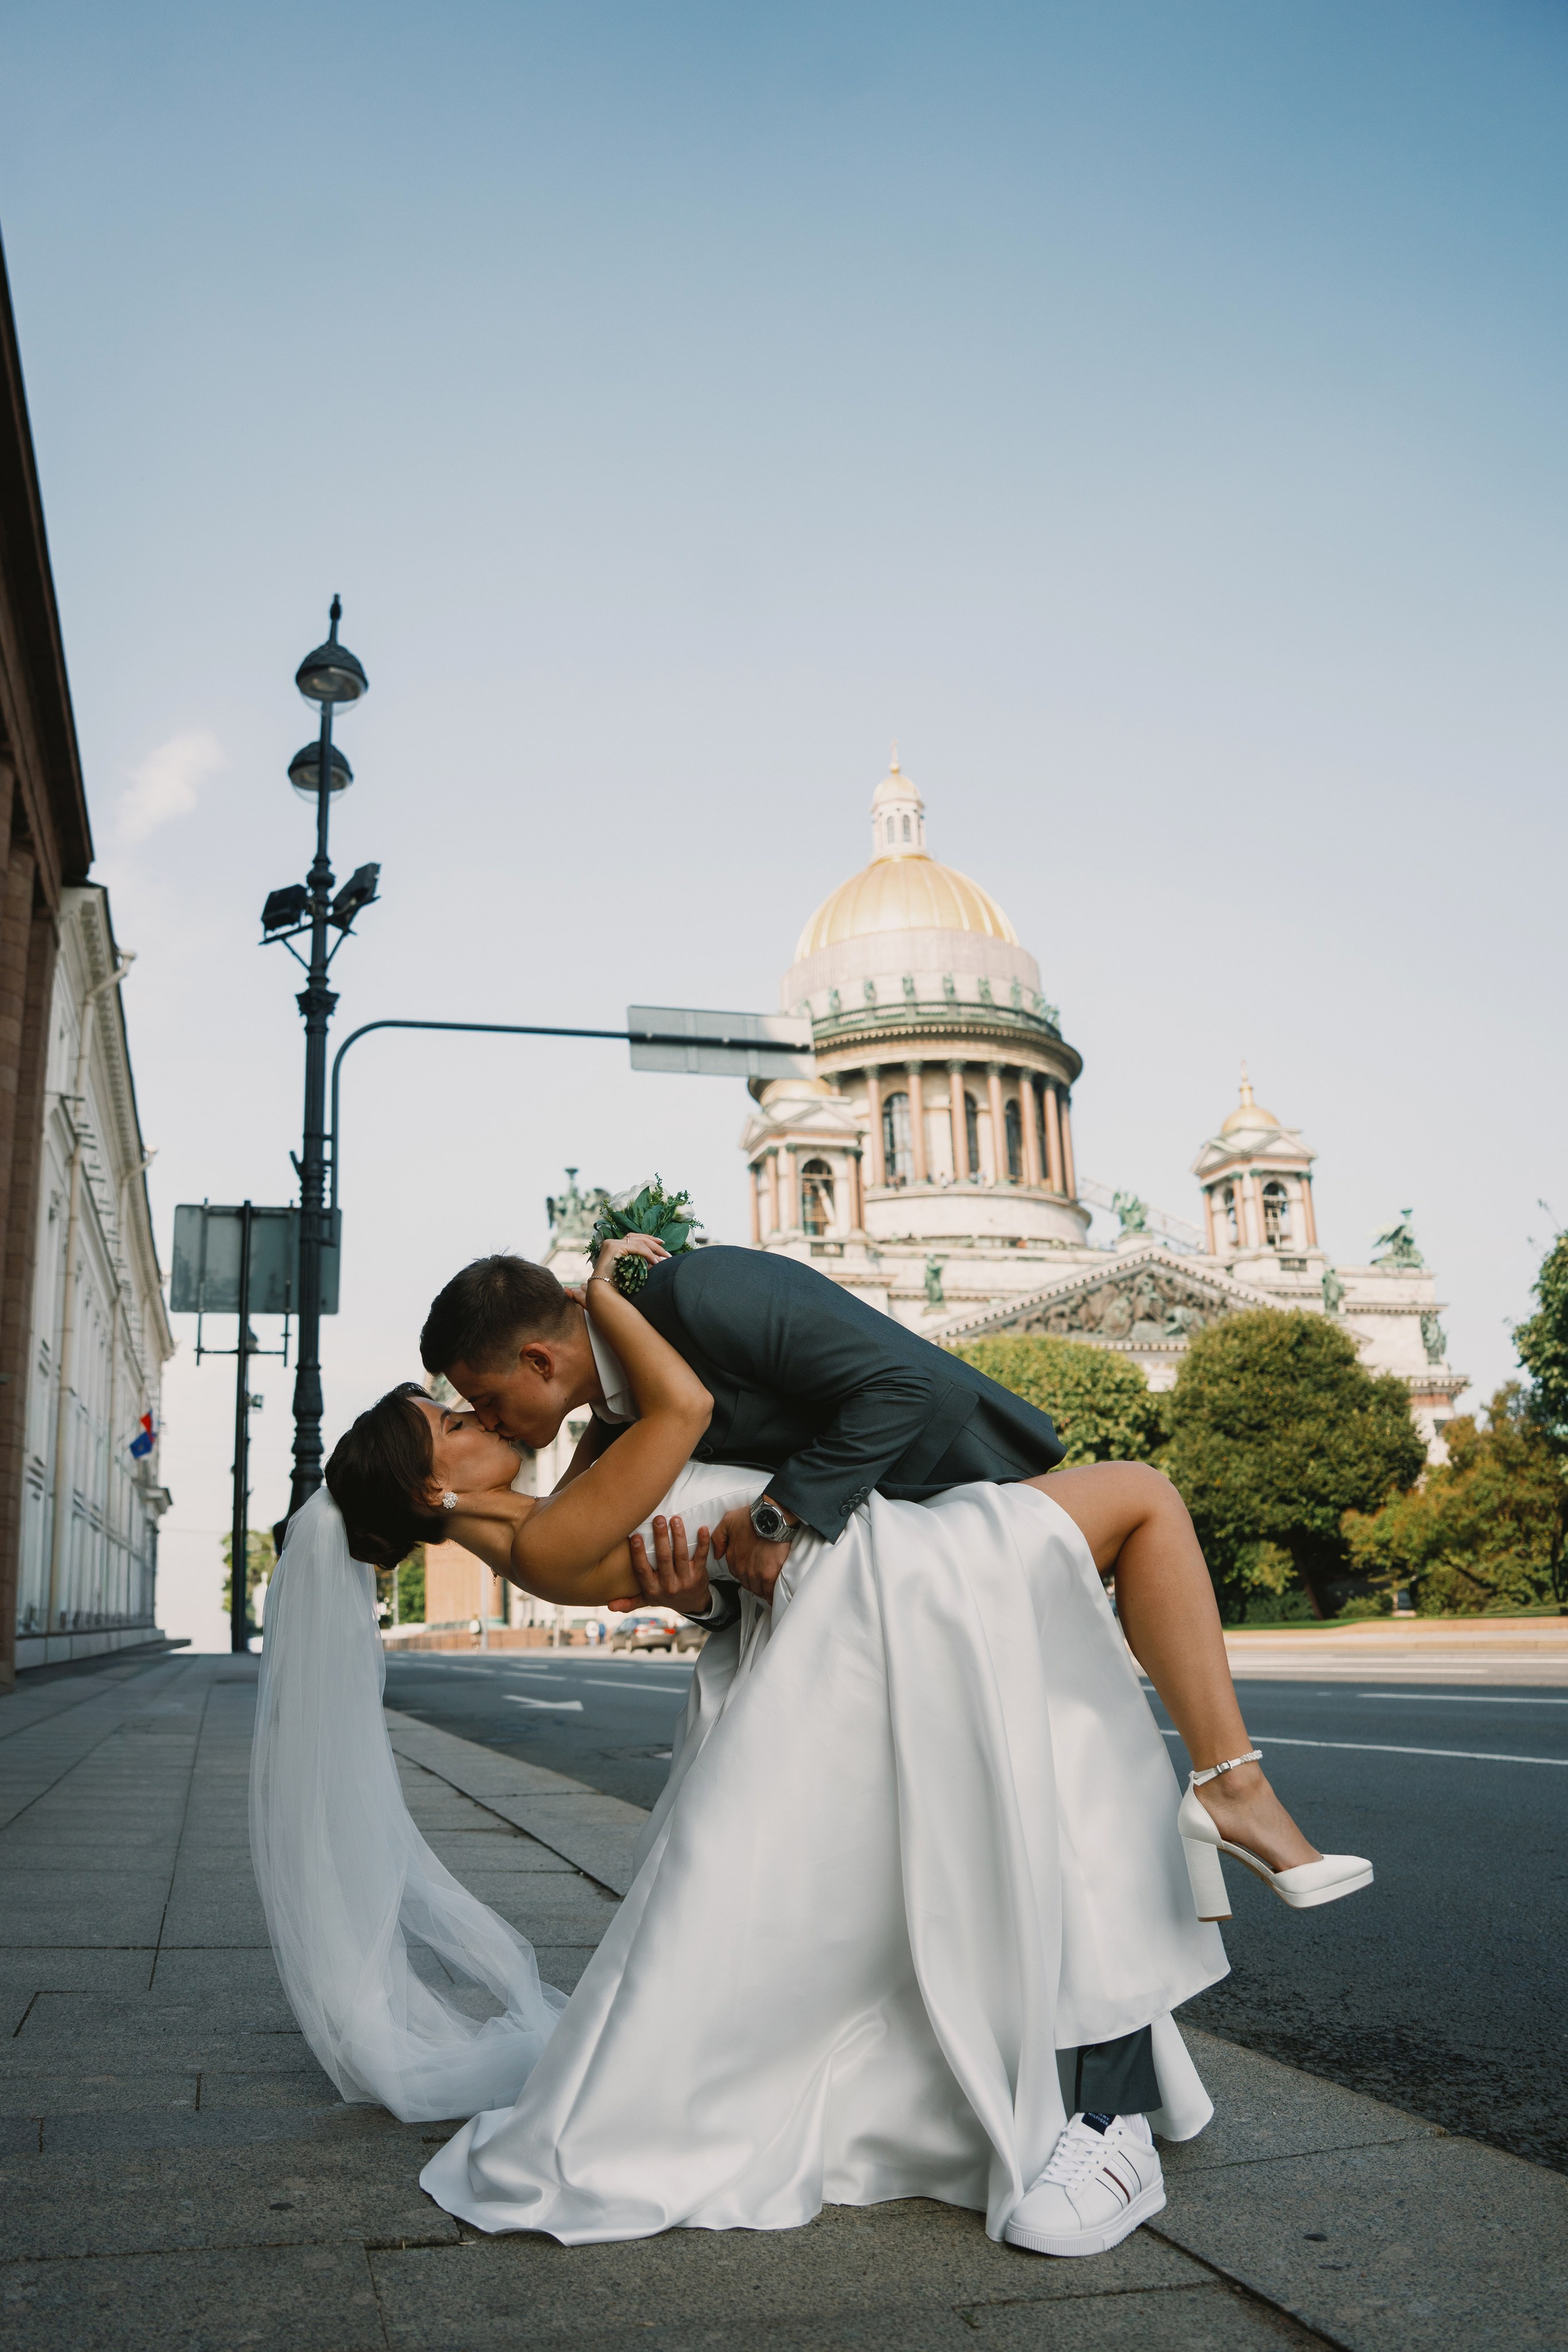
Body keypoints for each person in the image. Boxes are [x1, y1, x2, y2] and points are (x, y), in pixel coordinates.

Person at [251, 1235, 1369, 2263]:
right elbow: (686, 1427)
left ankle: (1154, 1964)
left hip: (892, 1554)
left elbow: (867, 1406)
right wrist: (605, 1291)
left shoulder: (651, 1362)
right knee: (1057, 1753)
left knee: (1018, 1811)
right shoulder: (558, 1506)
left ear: (542, 1360)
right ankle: (1221, 1809)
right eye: (459, 1421)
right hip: (881, 1583)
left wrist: (729, 1547)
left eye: (479, 1401)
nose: (484, 1420)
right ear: (436, 1487)